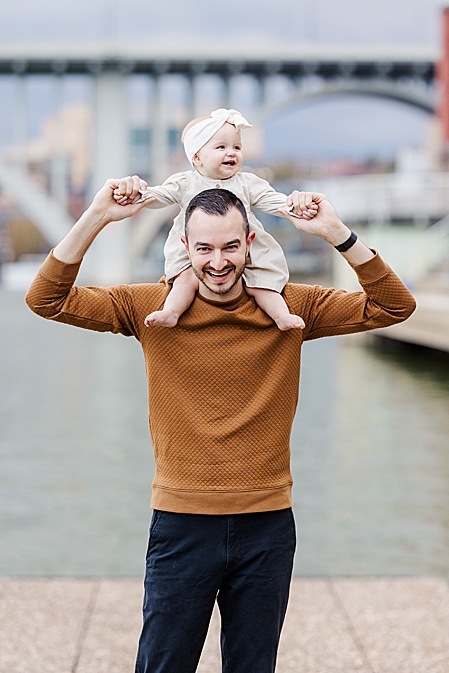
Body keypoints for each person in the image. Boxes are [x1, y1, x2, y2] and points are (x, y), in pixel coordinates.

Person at [26, 180, 415, 673]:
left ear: (250, 243)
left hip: (267, 526)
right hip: (181, 525)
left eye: (230, 246)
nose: (217, 261)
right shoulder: (151, 308)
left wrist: (337, 234)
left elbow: (395, 306)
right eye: (204, 247)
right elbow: (46, 300)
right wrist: (96, 217)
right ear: (184, 246)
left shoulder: (293, 308)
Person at [113, 108, 314, 331]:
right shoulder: (185, 182)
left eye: (237, 147)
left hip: (244, 245)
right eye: (221, 147)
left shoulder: (247, 182)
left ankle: (281, 316)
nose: (232, 153)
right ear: (197, 158)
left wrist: (295, 205)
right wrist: (138, 194)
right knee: (185, 279)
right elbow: (160, 196)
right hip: (198, 247)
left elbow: (272, 201)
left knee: (262, 282)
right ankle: (171, 312)